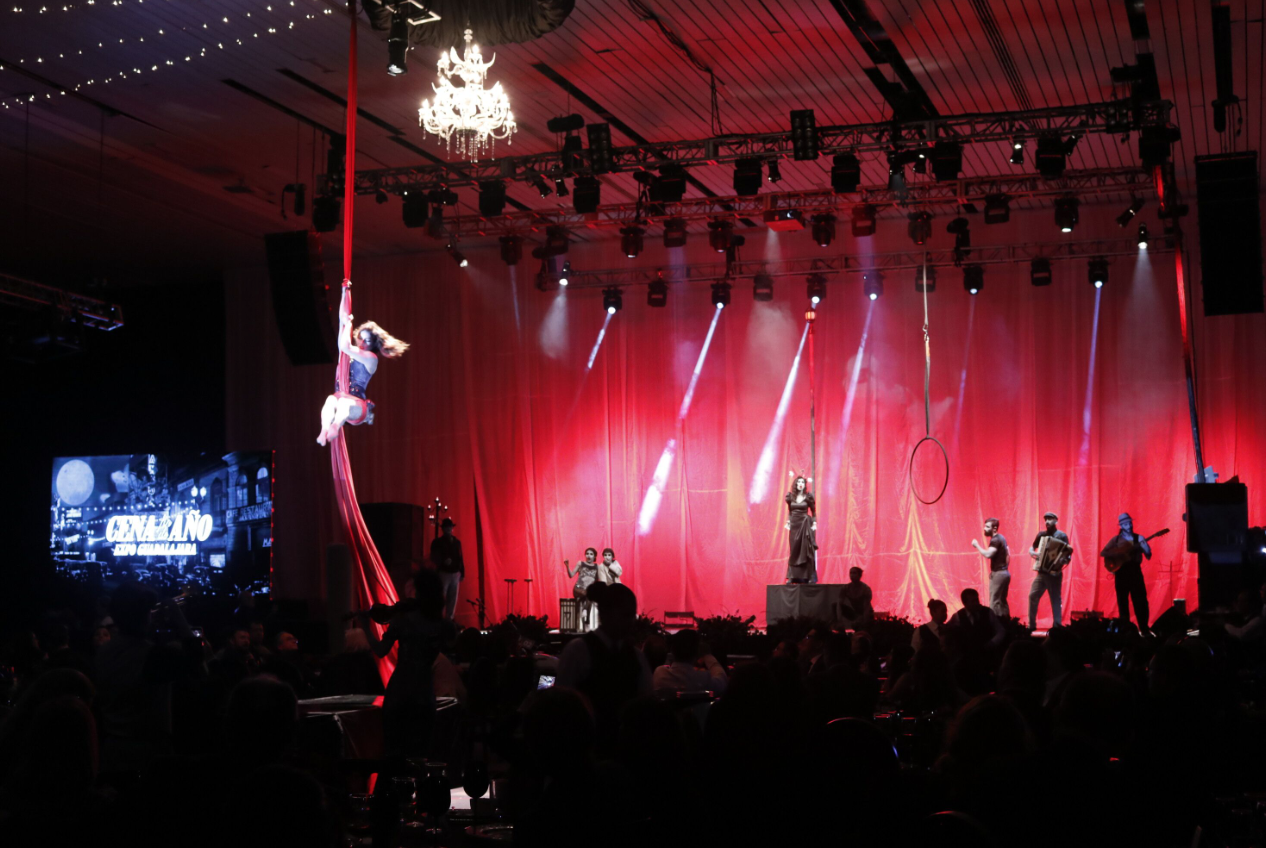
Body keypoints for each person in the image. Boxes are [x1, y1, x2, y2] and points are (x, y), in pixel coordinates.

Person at [358, 571, 454, 757]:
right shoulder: (443, 626)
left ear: (419, 592)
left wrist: (366, 627)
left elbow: (380, 650)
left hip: (400, 693)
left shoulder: (404, 620)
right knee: (421, 752)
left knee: (395, 751)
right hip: (425, 693)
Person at [556, 582, 652, 755]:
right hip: (587, 750)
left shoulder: (578, 650)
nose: (631, 622)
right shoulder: (578, 651)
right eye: (626, 615)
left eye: (632, 616)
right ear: (606, 613)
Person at [316, 295, 409, 446]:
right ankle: (324, 430)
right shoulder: (348, 355)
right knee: (330, 400)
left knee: (343, 403)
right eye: (360, 337)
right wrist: (344, 291)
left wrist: (348, 323)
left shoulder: (371, 358)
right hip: (340, 397)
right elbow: (341, 321)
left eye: (368, 340)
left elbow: (344, 345)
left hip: (358, 406)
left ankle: (335, 426)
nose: (362, 342)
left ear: (373, 344)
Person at [1099, 512, 1153, 632]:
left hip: (1135, 572)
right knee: (1122, 601)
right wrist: (1118, 554)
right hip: (1121, 573)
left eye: (1129, 523)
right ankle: (1126, 630)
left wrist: (1146, 547)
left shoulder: (1139, 538)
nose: (1128, 525)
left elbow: (1149, 555)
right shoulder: (1116, 540)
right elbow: (1103, 553)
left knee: (1140, 601)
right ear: (1121, 526)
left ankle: (1144, 628)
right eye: (1125, 524)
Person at [1028, 512, 1073, 629]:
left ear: (1056, 521)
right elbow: (1032, 547)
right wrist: (1032, 553)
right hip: (1042, 572)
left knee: (1055, 599)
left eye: (1050, 519)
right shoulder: (1041, 535)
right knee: (1032, 595)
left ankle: (1057, 626)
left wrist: (1062, 561)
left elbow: (1068, 553)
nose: (1047, 521)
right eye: (1046, 519)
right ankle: (1031, 625)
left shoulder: (1062, 536)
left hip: (1054, 574)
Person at [652, 628, 728, 694]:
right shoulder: (703, 679)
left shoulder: (660, 674)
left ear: (672, 650)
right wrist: (708, 656)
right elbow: (722, 681)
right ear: (697, 652)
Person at [971, 517, 1011, 619]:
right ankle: (1007, 623)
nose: (984, 529)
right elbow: (1008, 554)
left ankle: (995, 624)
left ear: (994, 528)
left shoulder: (995, 540)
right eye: (985, 526)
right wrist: (1004, 568)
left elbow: (988, 554)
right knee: (1002, 601)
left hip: (999, 573)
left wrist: (977, 545)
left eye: (987, 527)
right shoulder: (1002, 538)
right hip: (1004, 573)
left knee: (994, 602)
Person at [946, 588, 1006, 653]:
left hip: (988, 653)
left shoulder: (988, 612)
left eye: (977, 600)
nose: (976, 603)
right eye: (972, 601)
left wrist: (993, 642)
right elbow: (947, 630)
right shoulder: (957, 616)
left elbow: (1000, 630)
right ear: (964, 603)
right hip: (968, 654)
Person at [784, 475, 818, 583]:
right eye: (798, 482)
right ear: (795, 484)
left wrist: (814, 523)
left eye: (802, 482)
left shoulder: (808, 497)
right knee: (794, 550)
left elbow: (813, 511)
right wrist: (789, 521)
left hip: (805, 525)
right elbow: (790, 511)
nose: (800, 484)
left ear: (804, 485)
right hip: (794, 526)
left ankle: (808, 576)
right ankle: (792, 576)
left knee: (805, 550)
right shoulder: (791, 497)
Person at [430, 517, 465, 620]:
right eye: (447, 527)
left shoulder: (457, 542)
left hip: (454, 572)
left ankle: (449, 618)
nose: (448, 529)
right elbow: (434, 557)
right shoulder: (438, 542)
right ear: (443, 529)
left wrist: (462, 571)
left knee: (452, 598)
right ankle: (440, 618)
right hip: (444, 572)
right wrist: (442, 562)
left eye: (450, 527)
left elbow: (460, 557)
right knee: (442, 596)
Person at [564, 548, 601, 632]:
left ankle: (586, 621)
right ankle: (585, 612)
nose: (589, 555)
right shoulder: (580, 563)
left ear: (594, 556)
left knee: (591, 595)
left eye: (591, 554)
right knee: (589, 595)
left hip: (588, 592)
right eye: (587, 553)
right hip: (578, 589)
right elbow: (571, 575)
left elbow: (597, 580)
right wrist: (567, 566)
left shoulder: (597, 566)